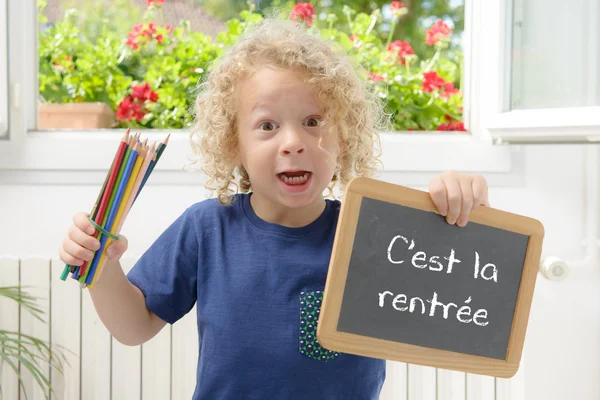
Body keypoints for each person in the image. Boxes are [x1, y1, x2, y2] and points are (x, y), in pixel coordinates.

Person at [59, 17, 489, 400]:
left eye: (313, 121)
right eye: (267, 125)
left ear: (344, 138)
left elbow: (454, 298)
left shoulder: (368, 233)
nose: (293, 141)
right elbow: (134, 326)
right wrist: (103, 267)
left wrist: (466, 210)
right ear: (234, 143)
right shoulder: (207, 228)